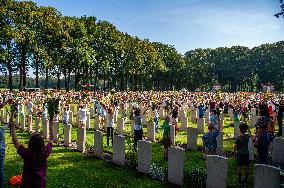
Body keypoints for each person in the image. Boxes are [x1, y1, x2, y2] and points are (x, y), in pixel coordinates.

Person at [8, 115, 54, 188]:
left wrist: (13, 128)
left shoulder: (27, 153)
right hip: (40, 184)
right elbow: (51, 139)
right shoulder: (45, 152)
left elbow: (16, 142)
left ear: (30, 143)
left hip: (27, 184)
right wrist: (51, 127)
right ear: (42, 144)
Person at [234, 122, 250, 186]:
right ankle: (246, 180)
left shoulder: (237, 138)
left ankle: (239, 180)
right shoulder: (247, 136)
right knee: (246, 167)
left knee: (239, 167)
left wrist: (235, 153)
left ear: (239, 129)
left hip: (239, 154)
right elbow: (250, 133)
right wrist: (248, 128)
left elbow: (235, 146)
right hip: (246, 154)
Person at [0, 124, 8, 188]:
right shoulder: (1, 130)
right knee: (1, 167)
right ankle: (2, 184)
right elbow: (8, 125)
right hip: (1, 150)